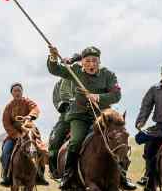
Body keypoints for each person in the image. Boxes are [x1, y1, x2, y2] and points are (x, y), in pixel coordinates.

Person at [47, 45, 136, 190]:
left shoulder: (109, 75)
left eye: (94, 61)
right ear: (82, 62)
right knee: (75, 141)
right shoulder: (74, 70)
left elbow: (116, 95)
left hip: (103, 116)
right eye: (87, 61)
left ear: (99, 62)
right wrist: (52, 56)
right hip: (79, 116)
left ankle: (122, 177)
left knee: (116, 141)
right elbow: (55, 69)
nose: (91, 64)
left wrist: (98, 97)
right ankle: (68, 175)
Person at [0, 82, 50, 187]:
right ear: (11, 93)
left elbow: (35, 108)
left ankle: (40, 175)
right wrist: (16, 135)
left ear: (22, 91)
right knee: (5, 152)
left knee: (41, 150)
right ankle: (6, 176)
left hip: (29, 133)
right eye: (15, 91)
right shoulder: (8, 107)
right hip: (14, 135)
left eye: (19, 90)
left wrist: (29, 116)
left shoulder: (27, 102)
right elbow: (6, 123)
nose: (17, 92)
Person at [47, 53, 80, 177]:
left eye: (75, 63)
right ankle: (55, 170)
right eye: (70, 64)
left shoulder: (85, 79)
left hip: (87, 115)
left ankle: (120, 172)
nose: (72, 66)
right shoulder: (58, 85)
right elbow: (56, 100)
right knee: (54, 140)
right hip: (66, 117)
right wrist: (64, 106)